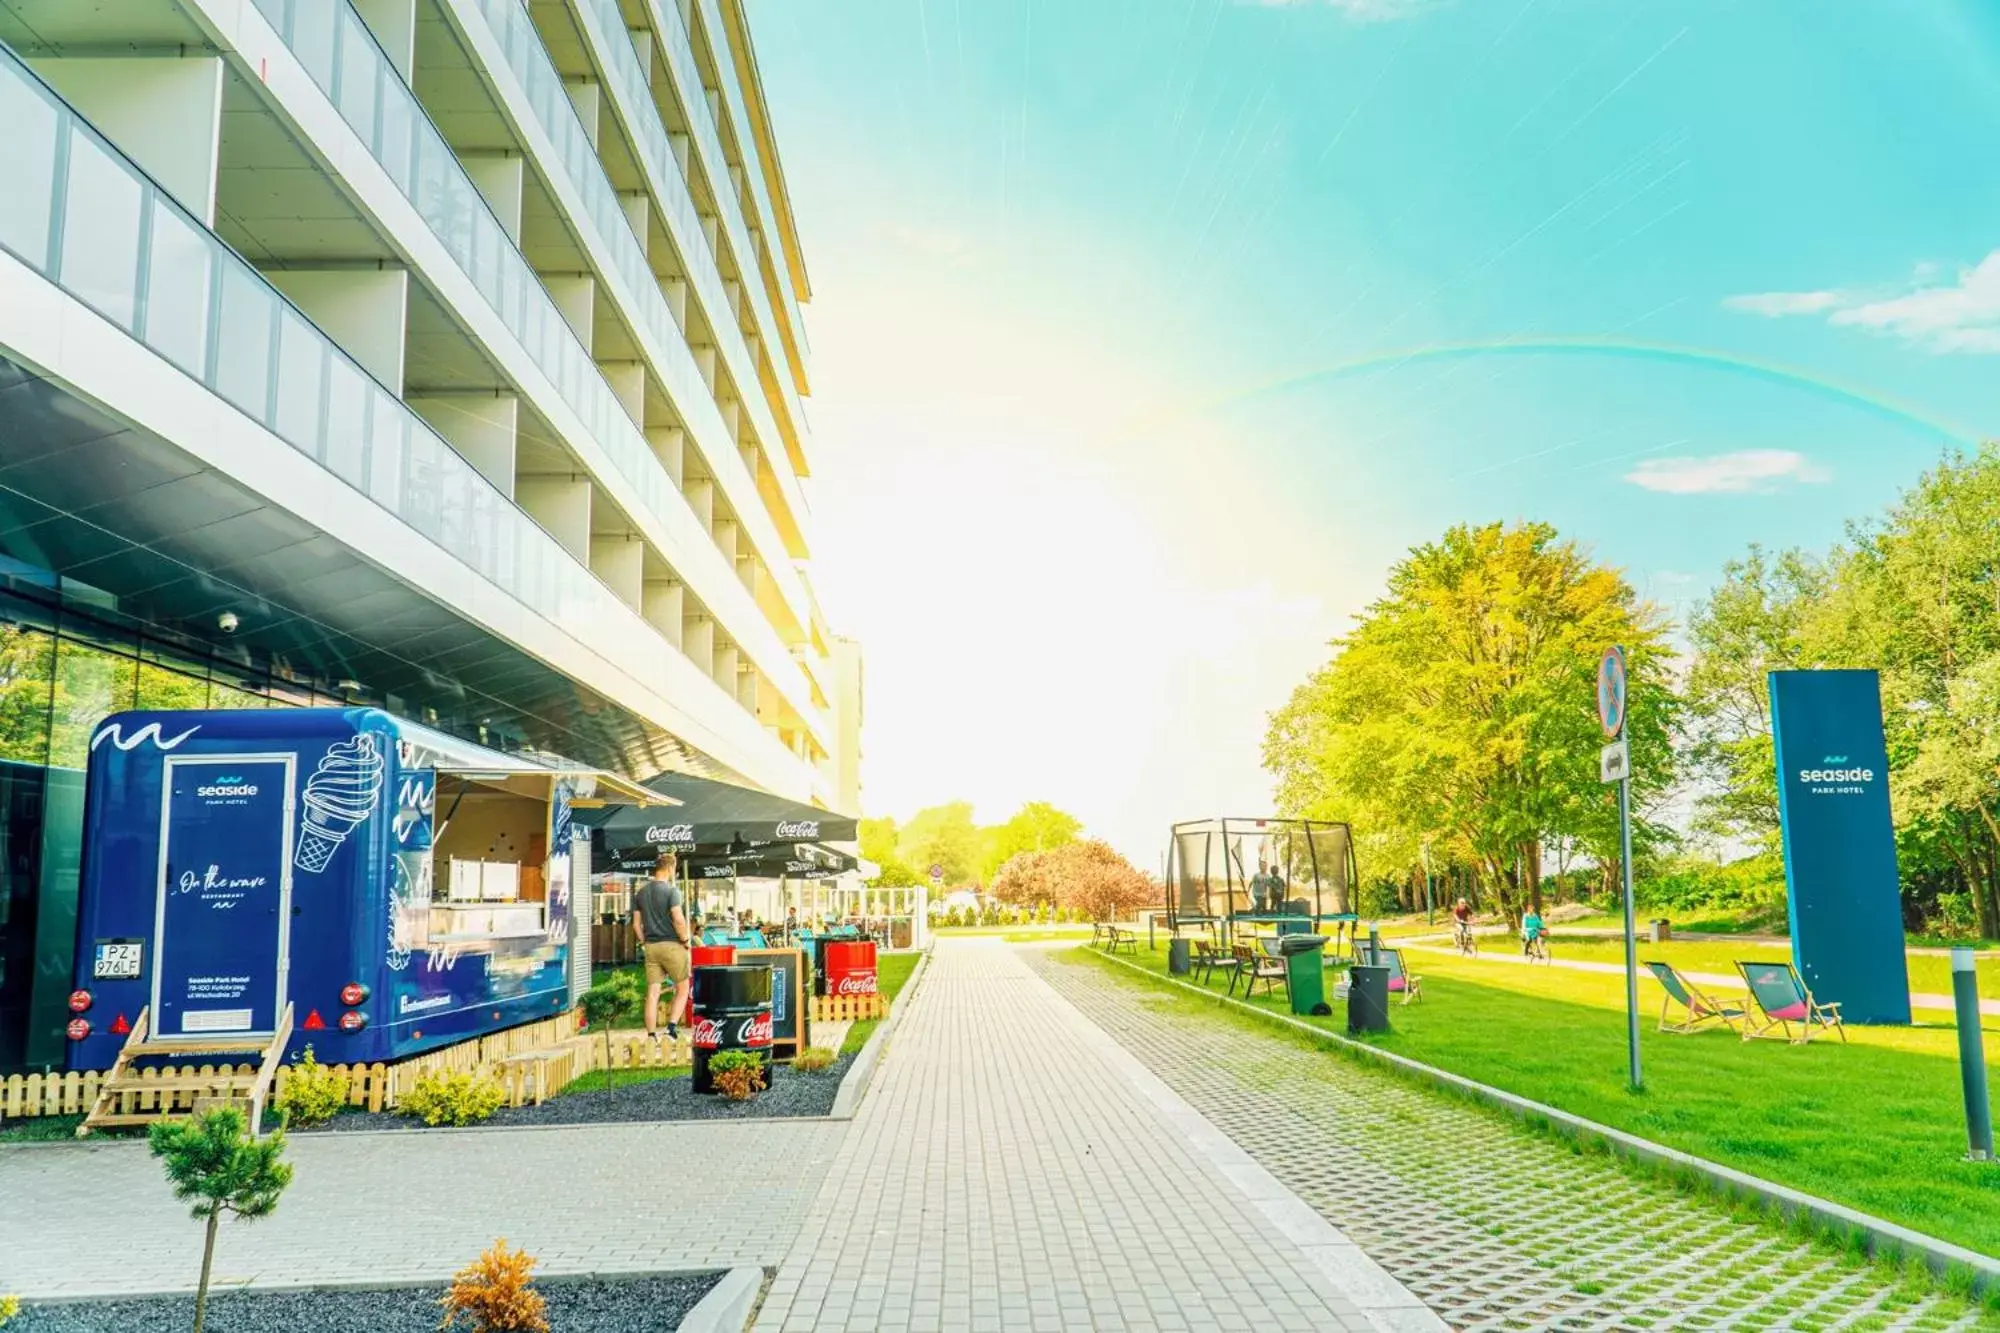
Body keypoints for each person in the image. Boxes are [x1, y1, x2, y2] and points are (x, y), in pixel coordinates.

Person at [632, 851, 692, 1047]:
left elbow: (635, 925)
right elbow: (678, 918)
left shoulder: (640, 893)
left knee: (653, 992)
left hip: (651, 947)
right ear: (670, 868)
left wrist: (644, 942)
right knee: (683, 988)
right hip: (673, 945)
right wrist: (685, 939)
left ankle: (651, 1036)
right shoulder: (672, 891)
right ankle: (671, 1029)